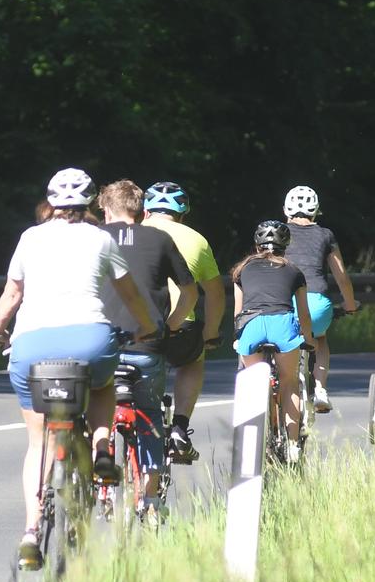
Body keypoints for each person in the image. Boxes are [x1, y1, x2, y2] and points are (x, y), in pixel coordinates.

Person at [0, 168, 159, 569]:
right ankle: (101, 451)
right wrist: (146, 327)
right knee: (102, 386)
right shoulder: (101, 238)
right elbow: (128, 291)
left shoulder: (30, 237)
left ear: (50, 202)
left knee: (37, 441)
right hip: (90, 340)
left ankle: (31, 530)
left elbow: (13, 293)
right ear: (88, 202)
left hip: (33, 345)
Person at [97, 179, 197, 520]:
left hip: (103, 343)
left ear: (107, 209)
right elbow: (190, 291)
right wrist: (172, 324)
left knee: (93, 408)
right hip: (148, 344)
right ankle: (151, 498)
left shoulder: (97, 239)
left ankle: (98, 472)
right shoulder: (160, 238)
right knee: (150, 414)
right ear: (141, 211)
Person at [141, 180, 224, 464]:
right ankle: (179, 426)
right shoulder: (197, 239)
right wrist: (211, 333)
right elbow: (214, 293)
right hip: (181, 327)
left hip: (136, 325)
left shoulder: (131, 234)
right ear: (183, 213)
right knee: (193, 360)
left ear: (145, 211)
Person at [230, 219, 316, 461]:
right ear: (285, 245)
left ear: (257, 245)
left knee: (251, 384)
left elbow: (238, 313)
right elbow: (304, 313)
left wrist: (239, 338)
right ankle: (291, 445)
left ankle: (251, 442)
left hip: (251, 325)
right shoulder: (294, 271)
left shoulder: (242, 270)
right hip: (283, 325)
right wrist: (309, 338)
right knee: (289, 383)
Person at [280, 185, 359, 414]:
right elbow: (341, 276)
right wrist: (350, 305)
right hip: (316, 303)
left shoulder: (278, 231)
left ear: (286, 209)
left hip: (283, 300)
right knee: (320, 338)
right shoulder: (326, 235)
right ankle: (321, 388)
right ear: (316, 211)